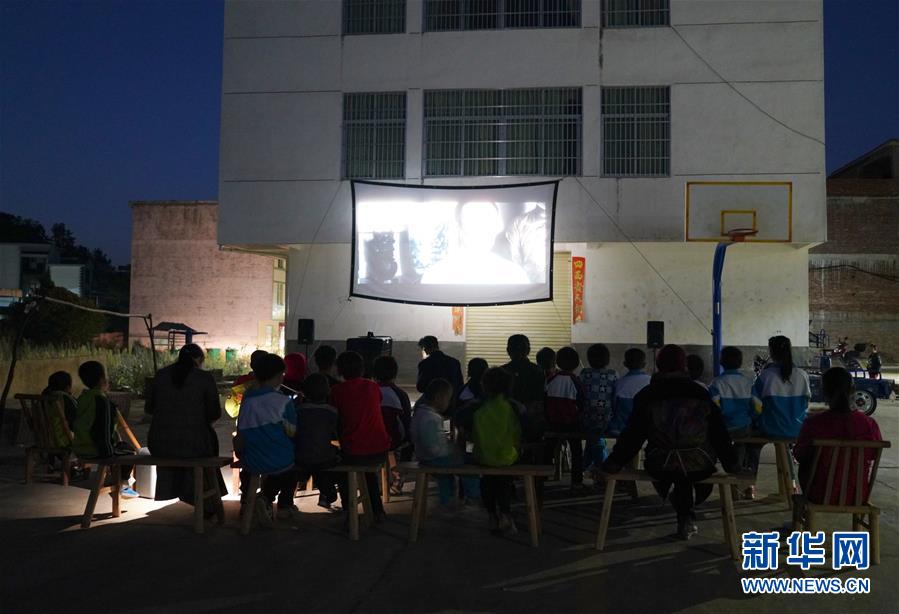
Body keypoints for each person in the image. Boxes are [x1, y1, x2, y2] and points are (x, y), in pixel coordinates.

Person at [601, 345, 739, 539]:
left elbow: (633, 436)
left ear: (659, 365)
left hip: (660, 464)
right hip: (699, 463)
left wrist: (614, 462)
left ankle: (683, 513)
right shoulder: (700, 393)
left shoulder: (647, 395)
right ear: (684, 365)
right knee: (687, 471)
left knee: (676, 469)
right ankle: (686, 516)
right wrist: (732, 464)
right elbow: (719, 434)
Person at [147, 344, 226, 507]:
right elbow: (214, 413)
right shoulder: (204, 378)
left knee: (191, 440)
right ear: (199, 359)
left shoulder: (161, 375)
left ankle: (184, 491)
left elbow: (149, 408)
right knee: (206, 441)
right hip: (194, 446)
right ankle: (206, 501)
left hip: (159, 445)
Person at [793, 367, 883, 505]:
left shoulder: (814, 423)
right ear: (852, 390)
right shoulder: (868, 424)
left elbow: (799, 454)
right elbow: (873, 454)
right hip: (857, 495)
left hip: (818, 494)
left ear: (825, 392)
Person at [236, 353, 299, 524]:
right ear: (279, 376)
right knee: (291, 468)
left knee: (263, 463)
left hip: (251, 460)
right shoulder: (283, 401)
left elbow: (241, 428)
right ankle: (281, 505)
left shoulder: (247, 399)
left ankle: (249, 503)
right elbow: (292, 432)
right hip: (279, 460)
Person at [329, 351, 391, 521]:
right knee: (368, 473)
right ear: (362, 368)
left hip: (354, 451)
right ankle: (377, 510)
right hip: (380, 449)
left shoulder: (336, 391)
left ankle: (348, 509)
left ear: (339, 370)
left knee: (342, 471)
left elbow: (335, 417)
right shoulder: (373, 387)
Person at [72, 361, 139, 498]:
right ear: (102, 379)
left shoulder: (83, 398)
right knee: (130, 451)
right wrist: (108, 454)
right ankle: (123, 484)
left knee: (121, 447)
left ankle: (119, 481)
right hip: (96, 449)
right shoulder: (102, 402)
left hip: (80, 447)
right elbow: (102, 432)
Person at [421, 201, 530, 285]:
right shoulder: (435, 276)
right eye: (473, 221)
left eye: (487, 220)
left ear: (497, 226)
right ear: (459, 228)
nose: (481, 230)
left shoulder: (515, 275)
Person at [411, 378, 479, 510]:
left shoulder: (419, 413)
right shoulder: (432, 418)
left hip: (422, 455)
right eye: (448, 399)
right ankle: (473, 495)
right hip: (435, 458)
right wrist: (450, 449)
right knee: (469, 465)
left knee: (445, 476)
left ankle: (447, 500)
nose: (448, 403)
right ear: (438, 398)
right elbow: (433, 446)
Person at [471, 367, 524, 535]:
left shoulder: (479, 408)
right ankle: (505, 514)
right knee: (503, 481)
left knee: (487, 480)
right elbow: (520, 432)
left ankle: (492, 514)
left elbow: (468, 429)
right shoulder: (511, 408)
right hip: (507, 457)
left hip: (482, 457)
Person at [708, 346, 758, 499]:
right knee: (742, 446)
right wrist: (749, 418)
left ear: (721, 362)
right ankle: (743, 484)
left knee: (717, 443)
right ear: (740, 362)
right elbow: (757, 407)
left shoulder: (716, 383)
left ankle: (729, 478)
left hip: (723, 428)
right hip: (743, 427)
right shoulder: (748, 382)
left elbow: (713, 409)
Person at [294, 373, 342, 512]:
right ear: (328, 392)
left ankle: (285, 502)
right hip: (324, 458)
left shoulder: (298, 410)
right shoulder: (332, 412)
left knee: (309, 463)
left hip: (299, 457)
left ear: (304, 392)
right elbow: (335, 434)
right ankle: (328, 494)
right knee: (331, 460)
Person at [544, 347, 587, 492]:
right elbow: (582, 402)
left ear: (557, 362)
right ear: (576, 364)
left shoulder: (551, 379)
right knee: (576, 452)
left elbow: (545, 400)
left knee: (548, 449)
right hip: (572, 423)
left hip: (553, 424)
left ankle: (541, 478)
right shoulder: (576, 381)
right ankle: (577, 482)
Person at [753, 335, 811, 440]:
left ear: (772, 353)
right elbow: (805, 404)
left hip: (771, 429)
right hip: (798, 429)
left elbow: (755, 404)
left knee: (751, 445)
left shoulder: (766, 375)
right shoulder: (802, 375)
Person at [373, 355, 413, 494]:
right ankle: (398, 479)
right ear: (395, 373)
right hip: (393, 441)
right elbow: (406, 420)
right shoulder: (400, 394)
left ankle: (377, 483)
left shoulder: (370, 391)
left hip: (371, 438)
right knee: (402, 444)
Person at [579, 343, 617, 475]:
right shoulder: (613, 374)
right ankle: (600, 467)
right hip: (606, 419)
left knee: (593, 438)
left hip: (586, 418)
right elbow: (614, 396)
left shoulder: (584, 373)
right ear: (608, 359)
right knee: (596, 440)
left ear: (589, 359)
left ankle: (586, 465)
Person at [501, 334, 545, 443]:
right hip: (532, 425)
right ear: (528, 350)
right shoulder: (538, 370)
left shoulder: (502, 371)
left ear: (508, 351)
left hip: (505, 424)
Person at [608, 348, 651, 436]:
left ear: (625, 364)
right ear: (644, 364)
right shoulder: (650, 381)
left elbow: (614, 406)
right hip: (644, 426)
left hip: (622, 427)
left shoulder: (619, 383)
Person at [224, 349, 268, 419]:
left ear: (251, 365)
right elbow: (231, 408)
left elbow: (231, 409)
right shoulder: (274, 382)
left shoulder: (242, 381)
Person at [41, 371, 78, 450]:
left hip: (44, 439)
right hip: (64, 440)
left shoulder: (44, 397)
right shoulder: (65, 398)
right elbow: (75, 423)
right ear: (68, 387)